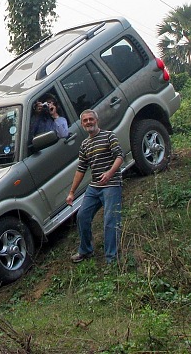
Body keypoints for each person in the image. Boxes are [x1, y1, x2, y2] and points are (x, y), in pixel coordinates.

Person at [65, 109, 123, 264]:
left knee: (110, 219)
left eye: (91, 119)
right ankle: (85, 251)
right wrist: (71, 192)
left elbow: (119, 156)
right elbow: (81, 169)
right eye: (85, 121)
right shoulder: (84, 144)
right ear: (82, 124)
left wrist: (110, 173)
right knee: (82, 216)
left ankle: (112, 258)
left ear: (97, 120)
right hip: (95, 186)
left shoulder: (109, 135)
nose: (88, 122)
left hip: (111, 184)